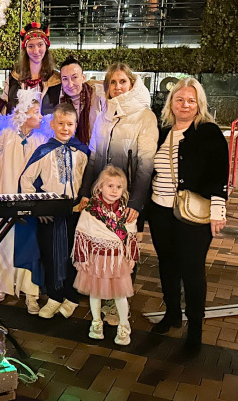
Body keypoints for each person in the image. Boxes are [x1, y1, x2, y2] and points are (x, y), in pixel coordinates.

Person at [147, 77, 228, 353]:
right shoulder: (162, 132)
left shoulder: (208, 133)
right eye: (179, 99)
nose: (185, 104)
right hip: (160, 211)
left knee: (192, 271)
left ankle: (195, 328)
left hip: (193, 214)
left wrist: (218, 210)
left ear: (199, 104)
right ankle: (172, 314)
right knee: (167, 265)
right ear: (171, 103)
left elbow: (219, 174)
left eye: (191, 100)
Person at [78, 62, 158, 325]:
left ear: (132, 84)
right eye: (112, 82)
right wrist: (86, 193)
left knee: (124, 250)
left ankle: (119, 302)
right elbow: (93, 157)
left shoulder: (145, 116)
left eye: (123, 81)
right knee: (102, 247)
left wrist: (136, 201)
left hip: (127, 198)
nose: (117, 86)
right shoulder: (104, 114)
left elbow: (146, 164)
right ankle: (103, 296)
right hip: (102, 196)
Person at [17, 103, 89, 319]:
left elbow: (88, 180)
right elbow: (26, 179)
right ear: (52, 125)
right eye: (61, 123)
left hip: (76, 212)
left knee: (73, 255)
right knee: (50, 255)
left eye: (70, 124)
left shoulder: (83, 152)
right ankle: (54, 295)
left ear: (76, 125)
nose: (65, 128)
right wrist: (37, 208)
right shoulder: (44, 151)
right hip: (50, 211)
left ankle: (71, 296)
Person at [0, 88, 47, 314]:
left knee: (30, 244)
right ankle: (1, 284)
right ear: (24, 114)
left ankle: (31, 292)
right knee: (3, 240)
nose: (40, 116)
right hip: (7, 197)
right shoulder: (7, 135)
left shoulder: (41, 139)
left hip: (29, 200)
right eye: (36, 112)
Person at [73, 165, 139, 345]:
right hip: (96, 258)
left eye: (119, 187)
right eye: (110, 186)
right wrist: (82, 257)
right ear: (100, 187)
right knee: (95, 292)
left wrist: (131, 256)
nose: (114, 190)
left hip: (117, 259)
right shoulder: (90, 210)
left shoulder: (126, 212)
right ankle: (96, 323)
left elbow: (131, 235)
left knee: (120, 294)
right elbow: (82, 233)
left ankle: (124, 325)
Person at [0, 22, 61, 115]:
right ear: (25, 49)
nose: (36, 51)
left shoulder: (57, 80)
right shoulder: (14, 78)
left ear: (46, 46)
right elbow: (4, 110)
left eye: (40, 45)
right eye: (31, 46)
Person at [43, 57, 105, 145]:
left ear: (83, 78)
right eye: (65, 79)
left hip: (95, 149)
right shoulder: (54, 98)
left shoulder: (98, 96)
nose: (70, 84)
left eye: (74, 77)